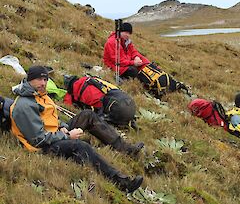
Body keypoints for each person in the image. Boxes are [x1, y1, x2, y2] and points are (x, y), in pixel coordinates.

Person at [10, 66, 143, 193]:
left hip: (54, 134)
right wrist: (68, 136)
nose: (43, 83)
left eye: (45, 79)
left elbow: (50, 119)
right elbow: (37, 140)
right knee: (81, 146)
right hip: (42, 148)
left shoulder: (39, 95)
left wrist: (62, 127)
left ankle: (126, 149)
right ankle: (121, 182)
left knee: (87, 115)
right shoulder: (25, 105)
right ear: (29, 79)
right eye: (39, 79)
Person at [63, 75, 137, 127]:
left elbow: (67, 105)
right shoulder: (91, 79)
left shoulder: (74, 93)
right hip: (127, 101)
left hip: (116, 109)